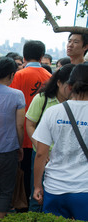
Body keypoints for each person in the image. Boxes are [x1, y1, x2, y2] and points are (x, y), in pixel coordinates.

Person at [33, 63, 88, 221]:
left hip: (55, 188)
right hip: (84, 189)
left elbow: (41, 154)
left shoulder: (53, 112)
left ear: (69, 86)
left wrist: (37, 185)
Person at [25, 63, 75, 212]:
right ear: (59, 83)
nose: (72, 90)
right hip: (41, 155)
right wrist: (41, 148)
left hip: (65, 155)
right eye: (69, 85)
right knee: (37, 195)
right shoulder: (42, 98)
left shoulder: (76, 103)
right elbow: (30, 125)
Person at [10, 40, 51, 210]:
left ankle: (22, 206)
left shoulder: (18, 76)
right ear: (42, 56)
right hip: (43, 137)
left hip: (21, 134)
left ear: (24, 55)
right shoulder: (50, 77)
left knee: (22, 173)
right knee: (39, 174)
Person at [0, 57, 26, 221]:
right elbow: (20, 126)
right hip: (8, 149)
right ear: (11, 74)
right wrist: (20, 146)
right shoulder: (17, 95)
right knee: (6, 189)